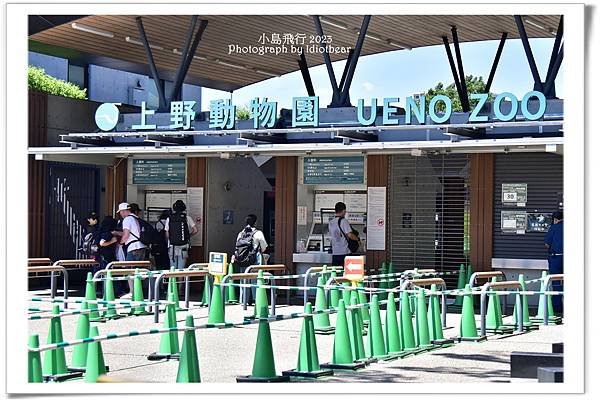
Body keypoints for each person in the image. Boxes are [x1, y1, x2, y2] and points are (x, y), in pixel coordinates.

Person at [117, 202, 147, 298]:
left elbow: (126, 235)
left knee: (129, 269)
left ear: (124, 211)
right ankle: (138, 292)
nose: (120, 214)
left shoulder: (127, 219)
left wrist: (120, 243)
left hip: (133, 247)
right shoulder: (136, 218)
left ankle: (132, 292)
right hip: (141, 246)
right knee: (138, 270)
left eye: (121, 212)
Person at [165, 200, 198, 269]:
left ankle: (172, 279)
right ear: (184, 208)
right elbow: (195, 230)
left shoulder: (169, 219)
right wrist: (188, 236)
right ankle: (181, 280)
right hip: (184, 246)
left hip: (172, 246)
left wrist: (172, 238)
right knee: (181, 269)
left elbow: (167, 235)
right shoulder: (187, 218)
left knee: (172, 269)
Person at [328, 202, 360, 267]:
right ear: (343, 211)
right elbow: (350, 235)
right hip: (345, 253)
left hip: (335, 253)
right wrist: (358, 239)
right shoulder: (344, 221)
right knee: (345, 274)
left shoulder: (331, 222)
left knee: (336, 274)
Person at [544, 210, 564, 313]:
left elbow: (547, 244)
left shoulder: (554, 228)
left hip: (556, 258)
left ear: (555, 219)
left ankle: (557, 307)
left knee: (556, 282)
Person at [96, 216, 119, 296]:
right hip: (107, 257)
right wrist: (112, 241)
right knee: (108, 275)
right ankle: (109, 292)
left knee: (105, 275)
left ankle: (105, 292)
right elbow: (102, 243)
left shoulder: (101, 231)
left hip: (102, 256)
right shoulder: (107, 233)